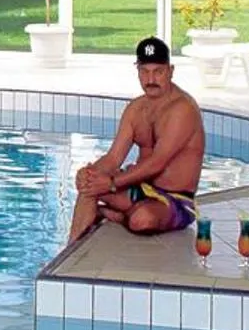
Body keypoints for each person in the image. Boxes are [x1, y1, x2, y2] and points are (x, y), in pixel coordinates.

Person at [70, 37, 206, 239]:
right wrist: (90, 174)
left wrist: (112, 183)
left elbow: (157, 163)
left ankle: (117, 216)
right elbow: (113, 157)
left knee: (141, 219)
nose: (151, 79)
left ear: (170, 71)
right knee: (89, 186)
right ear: (138, 71)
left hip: (174, 199)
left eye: (158, 72)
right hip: (138, 190)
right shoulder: (135, 109)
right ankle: (71, 248)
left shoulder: (182, 109)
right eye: (145, 71)